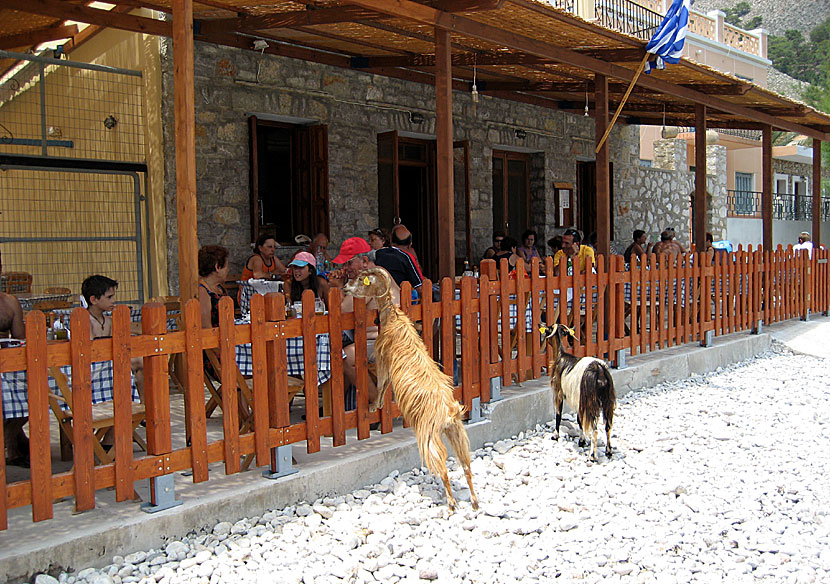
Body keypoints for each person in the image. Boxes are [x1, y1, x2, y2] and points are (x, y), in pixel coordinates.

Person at [329, 237, 401, 408]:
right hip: (387, 338)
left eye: (348, 263)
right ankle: (343, 406)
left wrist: (336, 286)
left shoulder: (370, 279)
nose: (345, 269)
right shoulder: (379, 272)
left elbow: (342, 311)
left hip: (383, 342)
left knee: (344, 357)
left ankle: (379, 404)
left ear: (365, 261)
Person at [81, 275, 145, 403]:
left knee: (142, 362)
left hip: (110, 361)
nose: (113, 301)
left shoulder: (109, 320)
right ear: (93, 300)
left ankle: (143, 405)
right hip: (92, 367)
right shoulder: (86, 321)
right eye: (109, 297)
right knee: (136, 362)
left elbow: (135, 330)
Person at [1, 250, 27, 466]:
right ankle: (14, 442)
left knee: (39, 390)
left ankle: (12, 438)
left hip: (10, 365)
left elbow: (20, 339)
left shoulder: (10, 302)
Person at [373, 228, 423, 293]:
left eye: (373, 240)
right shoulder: (406, 257)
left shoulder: (374, 256)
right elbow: (419, 286)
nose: (370, 243)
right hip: (400, 299)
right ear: (410, 244)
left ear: (391, 241)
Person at [198, 245, 230, 329]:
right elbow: (206, 326)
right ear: (217, 267)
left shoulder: (219, 288)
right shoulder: (202, 291)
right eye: (226, 266)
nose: (228, 270)